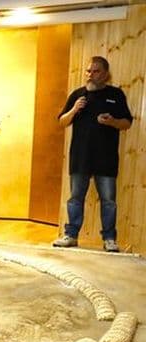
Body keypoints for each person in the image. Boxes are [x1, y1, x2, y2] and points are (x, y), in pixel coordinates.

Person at [52, 56, 133, 253]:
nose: (91, 75)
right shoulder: (78, 95)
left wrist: (111, 121)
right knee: (75, 198)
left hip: (106, 159)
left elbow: (127, 123)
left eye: (96, 71)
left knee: (109, 201)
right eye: (88, 71)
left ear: (106, 74)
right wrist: (74, 109)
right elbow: (62, 122)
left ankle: (109, 239)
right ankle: (71, 235)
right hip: (80, 157)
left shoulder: (116, 94)